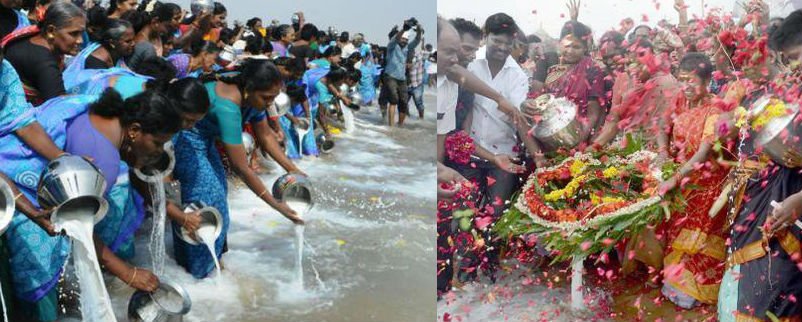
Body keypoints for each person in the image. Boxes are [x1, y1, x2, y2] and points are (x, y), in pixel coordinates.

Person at [0, 90, 182, 321]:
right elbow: (77, 225)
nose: (159, 151)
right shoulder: (104, 162)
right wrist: (127, 272)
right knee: (42, 274)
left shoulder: (98, 113)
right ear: (134, 131)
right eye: (158, 143)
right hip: (9, 186)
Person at [172, 59, 303, 279]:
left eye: (273, 97)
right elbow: (241, 168)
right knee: (206, 201)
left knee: (218, 198)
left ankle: (209, 262)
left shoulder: (254, 100)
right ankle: (197, 273)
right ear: (249, 88)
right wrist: (277, 205)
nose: (270, 103)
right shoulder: (228, 105)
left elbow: (266, 136)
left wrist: (293, 169)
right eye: (267, 97)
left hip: (207, 139)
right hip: (187, 135)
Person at [717, 10, 802, 321]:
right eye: (786, 61)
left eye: (794, 57)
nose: (791, 68)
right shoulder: (787, 91)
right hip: (775, 201)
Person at [657, 53, 731, 309]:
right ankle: (675, 283)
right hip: (683, 180)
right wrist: (663, 153)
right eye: (682, 80)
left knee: (698, 240)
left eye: (692, 81)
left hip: (708, 183)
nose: (686, 86)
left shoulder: (716, 109)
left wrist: (674, 179)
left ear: (708, 80)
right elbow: (661, 126)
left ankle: (696, 291)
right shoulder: (680, 100)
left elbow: (703, 152)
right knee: (677, 236)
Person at [526, 20, 606, 161]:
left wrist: (575, 143)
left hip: (578, 140)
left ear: (585, 48)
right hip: (544, 139)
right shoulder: (547, 61)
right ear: (559, 43)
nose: (570, 51)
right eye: (567, 45)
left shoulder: (592, 69)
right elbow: (536, 98)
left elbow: (593, 114)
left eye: (576, 47)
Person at [3, 1, 86, 105]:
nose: (80, 40)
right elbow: (59, 104)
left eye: (81, 33)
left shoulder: (36, 35)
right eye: (74, 34)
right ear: (51, 31)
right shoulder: (43, 62)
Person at [383, 19, 422, 126]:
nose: (404, 41)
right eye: (403, 39)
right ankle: (391, 126)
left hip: (402, 78)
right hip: (390, 76)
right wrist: (403, 29)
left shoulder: (407, 48)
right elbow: (395, 39)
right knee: (393, 100)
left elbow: (417, 41)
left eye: (406, 39)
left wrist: (419, 31)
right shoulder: (392, 46)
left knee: (404, 103)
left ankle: (400, 125)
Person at [122, 1, 181, 70]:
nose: (167, 31)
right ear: (155, 21)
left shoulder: (157, 36)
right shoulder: (142, 43)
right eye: (167, 27)